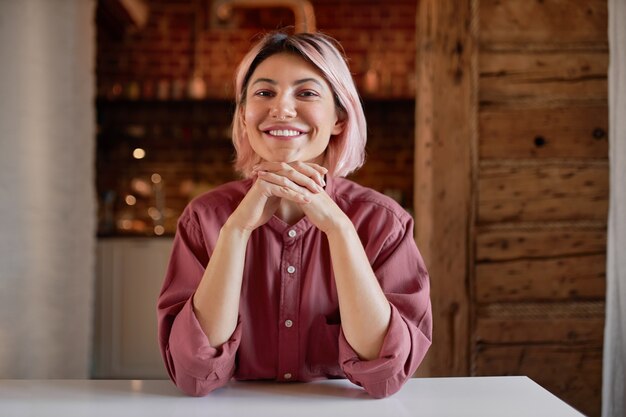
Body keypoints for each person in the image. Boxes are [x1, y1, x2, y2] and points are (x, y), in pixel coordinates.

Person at [156, 31, 432, 399]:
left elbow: (386, 374)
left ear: (339, 118)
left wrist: (339, 230)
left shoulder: (384, 223)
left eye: (306, 93)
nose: (282, 108)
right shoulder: (204, 218)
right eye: (264, 93)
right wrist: (236, 231)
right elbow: (193, 374)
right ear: (243, 117)